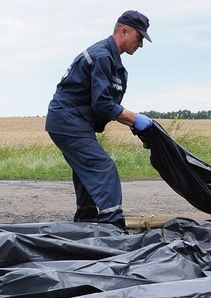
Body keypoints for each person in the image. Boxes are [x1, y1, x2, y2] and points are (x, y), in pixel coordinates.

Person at [45, 10, 154, 229]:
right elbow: (103, 104)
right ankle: (111, 227)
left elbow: (105, 106)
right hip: (68, 120)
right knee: (103, 168)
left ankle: (85, 224)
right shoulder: (102, 56)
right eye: (139, 37)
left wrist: (134, 124)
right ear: (124, 31)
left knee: (86, 170)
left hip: (72, 121)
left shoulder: (112, 61)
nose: (140, 44)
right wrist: (134, 118)